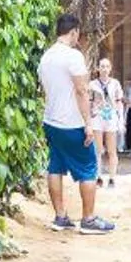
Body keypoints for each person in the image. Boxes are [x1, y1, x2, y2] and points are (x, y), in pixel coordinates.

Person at [38, 15, 114, 233]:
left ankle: (60, 217)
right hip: (72, 123)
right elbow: (81, 91)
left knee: (55, 166)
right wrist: (89, 124)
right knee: (89, 168)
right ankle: (88, 220)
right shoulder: (73, 56)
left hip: (51, 121)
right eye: (77, 33)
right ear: (73, 32)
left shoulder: (47, 57)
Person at [87, 55, 126, 182]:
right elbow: (89, 102)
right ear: (98, 68)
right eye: (102, 66)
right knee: (98, 149)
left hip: (111, 117)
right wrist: (87, 120)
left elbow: (119, 101)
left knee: (111, 149)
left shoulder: (115, 83)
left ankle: (112, 177)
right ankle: (98, 176)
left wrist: (121, 119)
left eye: (107, 66)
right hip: (97, 116)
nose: (104, 69)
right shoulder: (92, 84)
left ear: (110, 68)